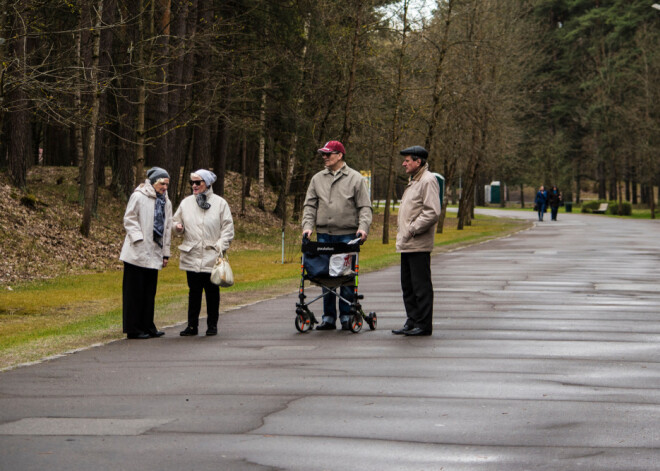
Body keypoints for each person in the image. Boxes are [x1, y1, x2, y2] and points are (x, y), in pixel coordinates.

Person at [302, 140, 373, 331]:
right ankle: (328, 318)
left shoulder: (356, 178)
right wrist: (307, 226)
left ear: (339, 155)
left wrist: (363, 227)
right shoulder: (317, 179)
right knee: (327, 278)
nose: (324, 157)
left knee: (345, 277)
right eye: (323, 154)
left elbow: (365, 207)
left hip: (347, 235)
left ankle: (346, 316)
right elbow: (310, 206)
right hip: (324, 235)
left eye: (328, 154)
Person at [174, 169, 234, 336]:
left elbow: (228, 228)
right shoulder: (186, 203)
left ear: (207, 184)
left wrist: (220, 246)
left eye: (198, 182)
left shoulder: (220, 203)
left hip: (211, 254)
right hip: (191, 253)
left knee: (212, 292)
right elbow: (174, 222)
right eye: (191, 182)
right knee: (193, 292)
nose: (194, 185)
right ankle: (192, 326)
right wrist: (177, 227)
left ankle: (212, 325)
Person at [392, 146, 441, 337]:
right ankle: (412, 320)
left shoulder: (428, 181)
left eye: (407, 160)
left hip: (418, 243)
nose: (404, 163)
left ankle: (423, 324)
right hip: (408, 243)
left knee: (421, 286)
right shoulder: (414, 181)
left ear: (418, 161)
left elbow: (432, 212)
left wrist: (412, 229)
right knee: (408, 286)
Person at [119, 167, 173, 339]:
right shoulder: (139, 196)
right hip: (137, 252)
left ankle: (148, 326)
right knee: (134, 292)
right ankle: (133, 329)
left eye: (167, 184)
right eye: (162, 183)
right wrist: (138, 238)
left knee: (149, 292)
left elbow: (167, 229)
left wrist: (165, 253)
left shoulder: (166, 202)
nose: (165, 187)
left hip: (155, 252)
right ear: (153, 182)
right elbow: (129, 218)